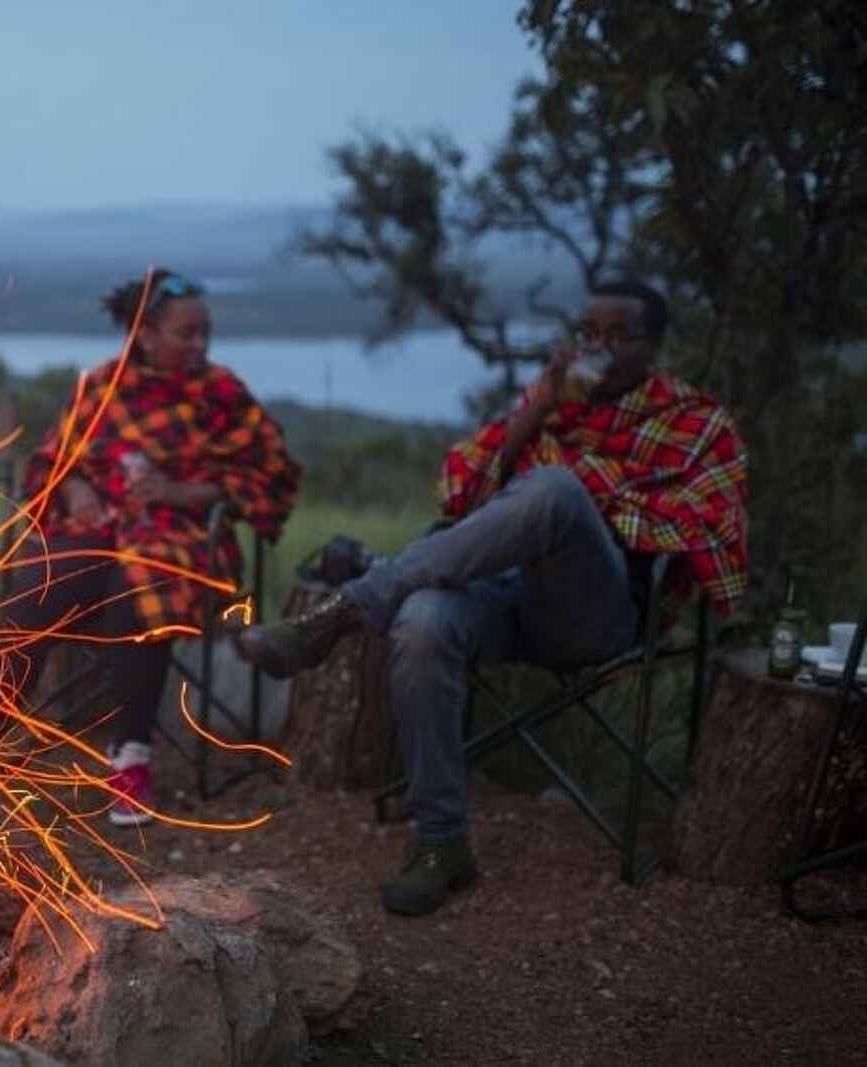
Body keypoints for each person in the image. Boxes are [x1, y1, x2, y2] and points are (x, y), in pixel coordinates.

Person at [234, 279, 749, 915]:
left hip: (598, 614)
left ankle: (350, 606)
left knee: (557, 492)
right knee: (422, 621)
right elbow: (458, 494)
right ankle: (441, 842)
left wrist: (580, 503)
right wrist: (534, 413)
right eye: (590, 334)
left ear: (654, 346)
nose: (602, 348)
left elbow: (706, 537)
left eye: (621, 336)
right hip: (503, 599)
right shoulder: (552, 404)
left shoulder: (696, 424)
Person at [0, 269, 300, 827]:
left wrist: (183, 490)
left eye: (206, 333)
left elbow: (271, 473)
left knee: (140, 585)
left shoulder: (222, 393)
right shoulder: (104, 386)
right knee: (39, 580)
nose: (200, 345)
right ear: (144, 335)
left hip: (184, 539)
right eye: (186, 334)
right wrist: (76, 489)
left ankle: (131, 758)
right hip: (101, 528)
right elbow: (52, 464)